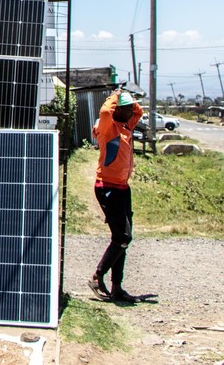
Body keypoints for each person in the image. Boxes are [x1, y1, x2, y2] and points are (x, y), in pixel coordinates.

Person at [88, 88, 143, 303]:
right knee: (122, 236)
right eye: (126, 108)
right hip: (107, 187)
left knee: (123, 239)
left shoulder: (127, 126)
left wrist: (128, 97)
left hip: (122, 187)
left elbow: (139, 112)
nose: (131, 111)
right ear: (117, 110)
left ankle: (117, 287)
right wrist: (115, 95)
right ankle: (97, 276)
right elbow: (103, 112)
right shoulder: (108, 127)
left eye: (130, 107)